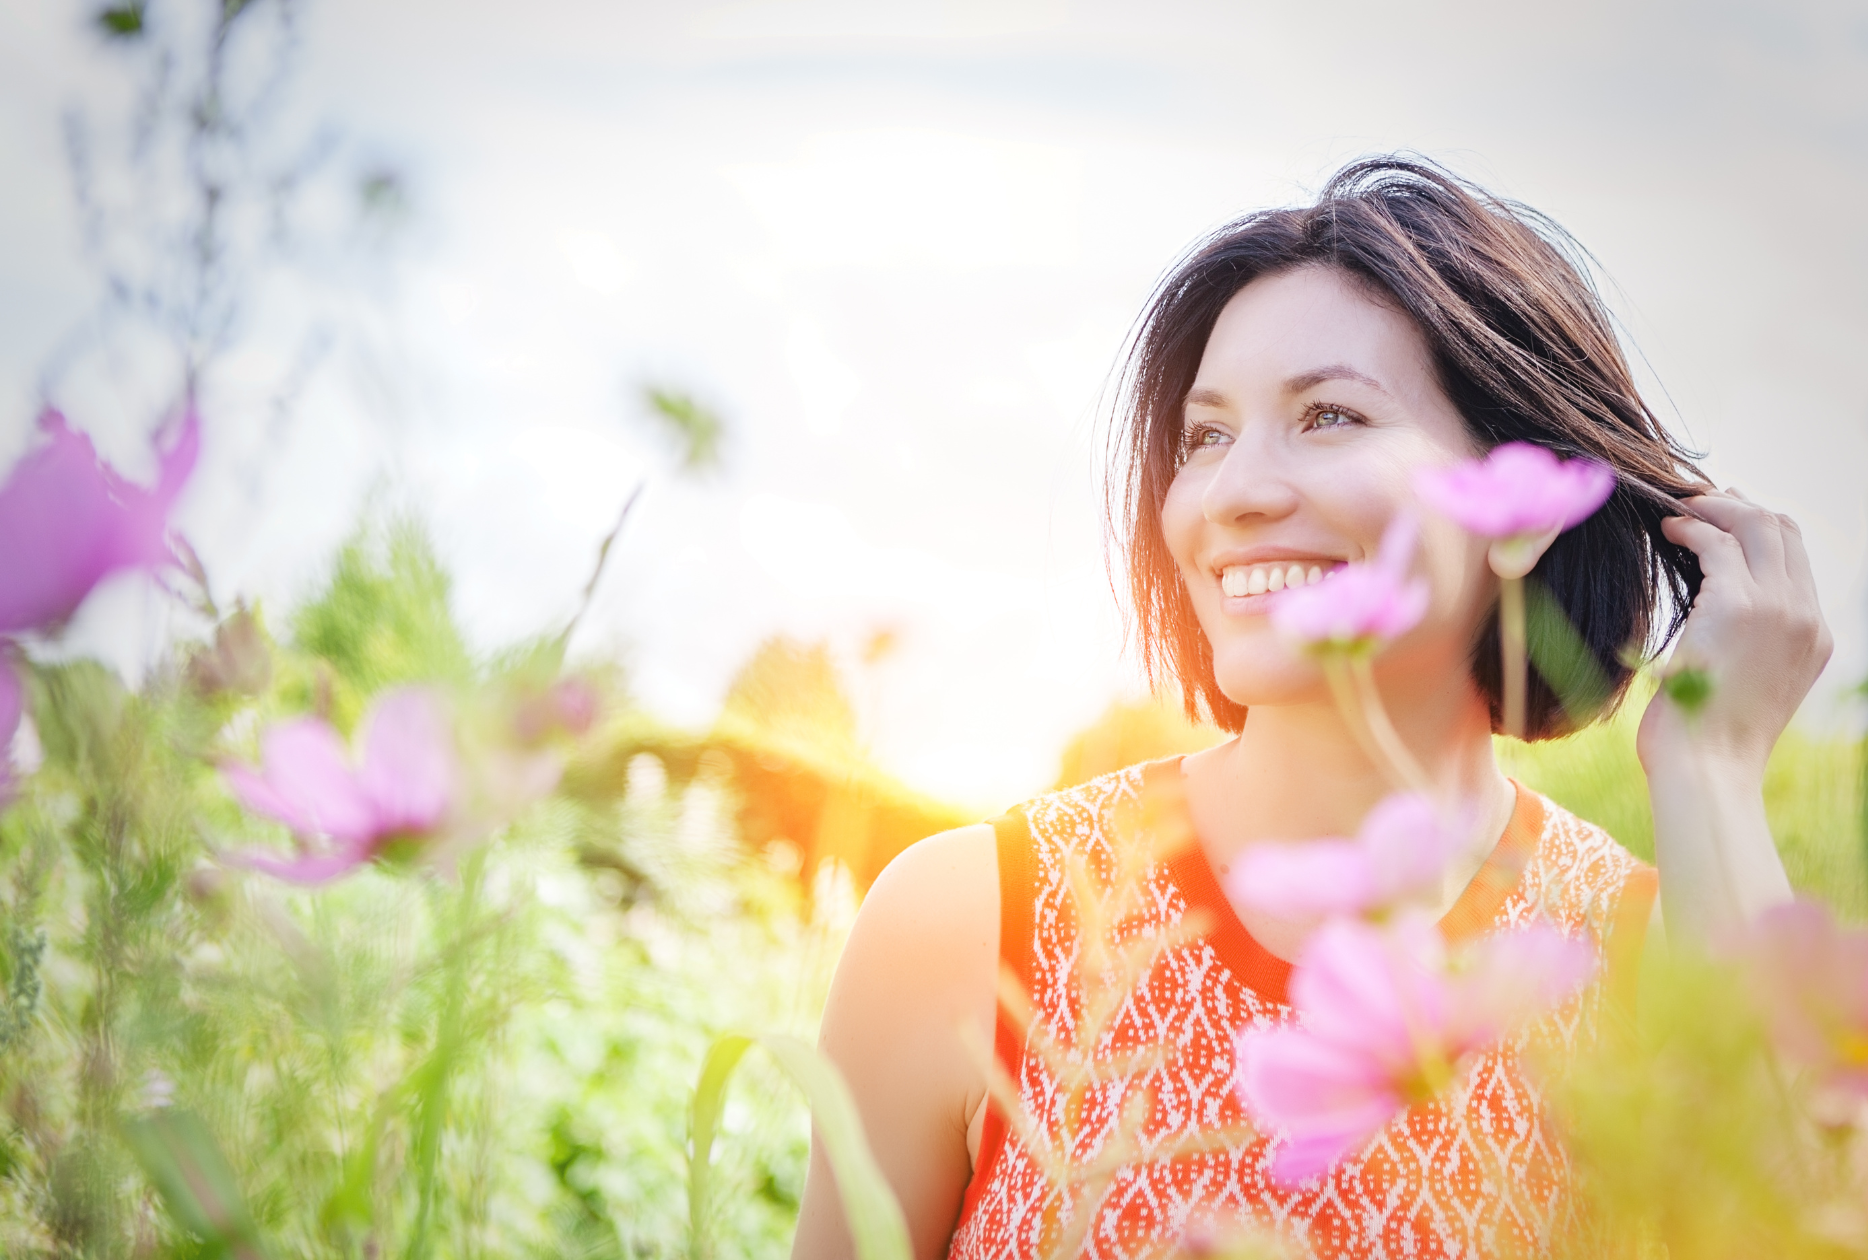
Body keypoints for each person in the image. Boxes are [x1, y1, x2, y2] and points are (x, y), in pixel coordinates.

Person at [789, 158, 1832, 1259]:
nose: (1234, 494)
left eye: (1328, 415)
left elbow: (1797, 1226)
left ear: (1513, 482)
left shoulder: (1635, 957)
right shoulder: (974, 922)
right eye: (1204, 436)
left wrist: (1710, 766)